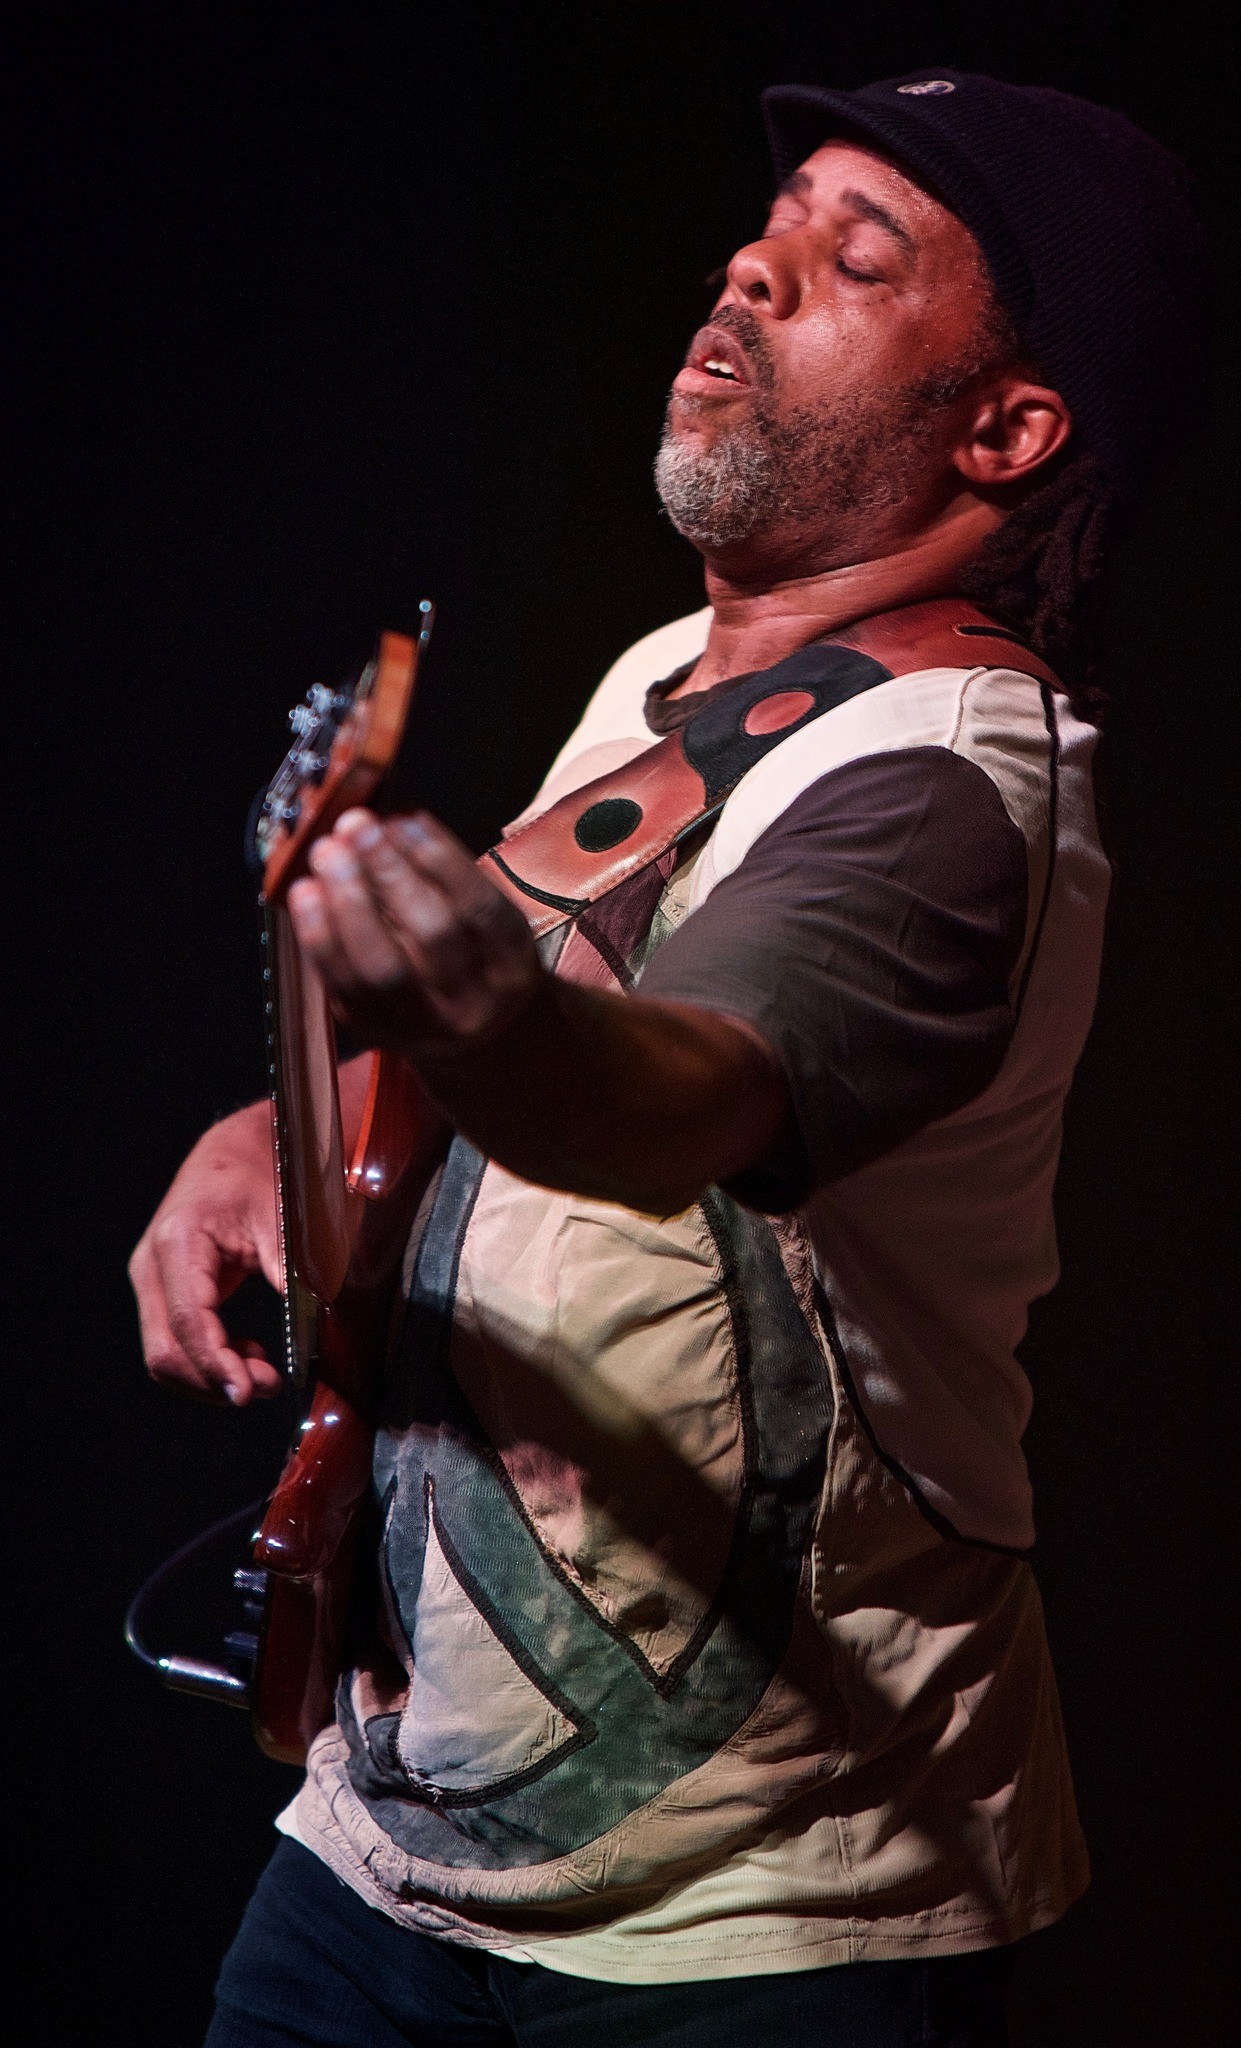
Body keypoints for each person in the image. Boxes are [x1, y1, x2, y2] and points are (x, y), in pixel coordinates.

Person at [129, 67, 1207, 2048]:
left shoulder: (958, 787)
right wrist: (254, 1126)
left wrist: (480, 1016)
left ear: (1010, 423)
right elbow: (531, 1020)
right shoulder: (674, 675)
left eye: (854, 251)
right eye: (778, 214)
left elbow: (672, 1095)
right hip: (394, 1836)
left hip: (762, 1916)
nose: (757, 257)